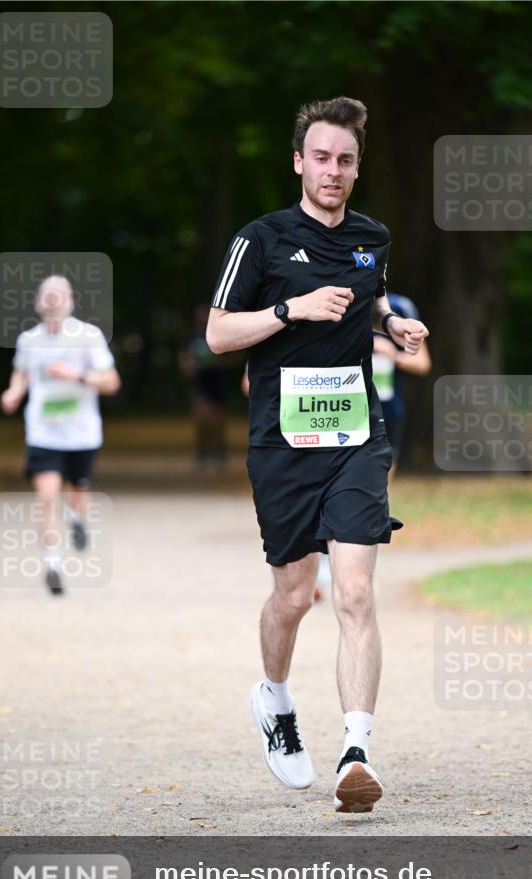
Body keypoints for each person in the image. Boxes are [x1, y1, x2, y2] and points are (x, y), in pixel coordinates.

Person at [206, 97, 429, 813]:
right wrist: (287, 311)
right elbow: (215, 335)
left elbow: (377, 300)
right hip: (281, 442)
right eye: (322, 157)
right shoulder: (261, 240)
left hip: (355, 436)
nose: (333, 171)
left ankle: (355, 751)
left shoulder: (373, 237)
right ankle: (272, 699)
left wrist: (399, 324)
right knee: (294, 595)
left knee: (355, 591)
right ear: (298, 161)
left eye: (345, 161)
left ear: (357, 168)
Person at [0, 275, 120, 595]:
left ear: (70, 301)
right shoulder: (29, 340)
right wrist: (13, 392)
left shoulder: (88, 336)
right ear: (38, 302)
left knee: (76, 493)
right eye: (47, 295)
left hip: (81, 433)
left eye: (59, 295)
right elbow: (22, 372)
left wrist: (77, 375)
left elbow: (111, 382)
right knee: (46, 496)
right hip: (43, 432)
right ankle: (53, 564)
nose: (52, 301)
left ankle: (75, 516)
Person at [372, 292, 432, 470]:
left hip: (387, 411)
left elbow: (423, 363)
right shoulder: (337, 301)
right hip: (345, 408)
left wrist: (394, 355)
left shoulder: (400, 306)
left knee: (382, 485)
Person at [178, 303, 231, 470]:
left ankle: (219, 453)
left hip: (216, 381)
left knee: (218, 420)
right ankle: (202, 453)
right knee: (201, 420)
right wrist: (189, 368)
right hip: (199, 382)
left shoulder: (220, 335)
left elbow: (232, 357)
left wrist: (220, 363)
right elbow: (184, 358)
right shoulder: (191, 338)